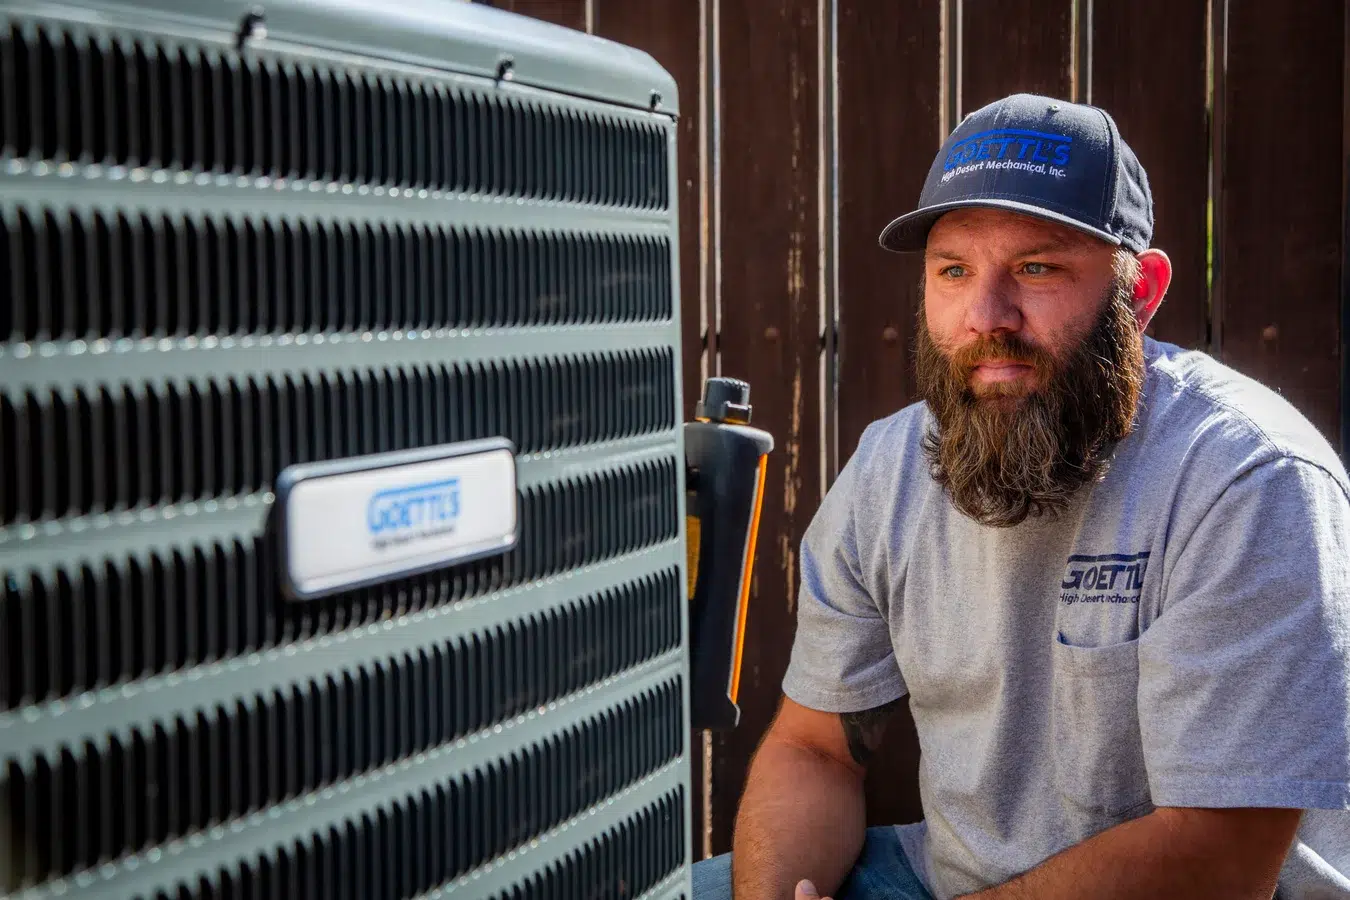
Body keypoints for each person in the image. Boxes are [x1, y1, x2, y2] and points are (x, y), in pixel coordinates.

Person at [692, 93, 1350, 899]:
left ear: (1138, 293)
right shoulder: (890, 467)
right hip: (948, 878)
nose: (987, 315)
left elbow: (1220, 855)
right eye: (954, 271)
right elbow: (814, 751)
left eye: (1037, 268)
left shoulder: (1248, 477)